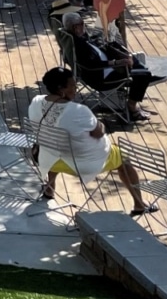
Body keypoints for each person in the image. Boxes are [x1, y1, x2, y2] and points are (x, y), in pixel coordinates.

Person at [29, 66, 158, 215]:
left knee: (55, 145)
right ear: (61, 89)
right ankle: (139, 204)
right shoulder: (78, 111)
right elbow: (98, 133)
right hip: (82, 164)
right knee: (124, 161)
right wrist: (99, 123)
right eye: (72, 86)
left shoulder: (36, 101)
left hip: (47, 158)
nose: (76, 89)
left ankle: (49, 189)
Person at [62, 12, 165, 121]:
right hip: (102, 78)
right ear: (75, 27)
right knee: (143, 76)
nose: (84, 25)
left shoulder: (74, 38)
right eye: (82, 23)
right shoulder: (80, 46)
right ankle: (132, 107)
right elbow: (92, 65)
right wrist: (116, 63)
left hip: (102, 70)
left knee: (128, 56)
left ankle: (145, 74)